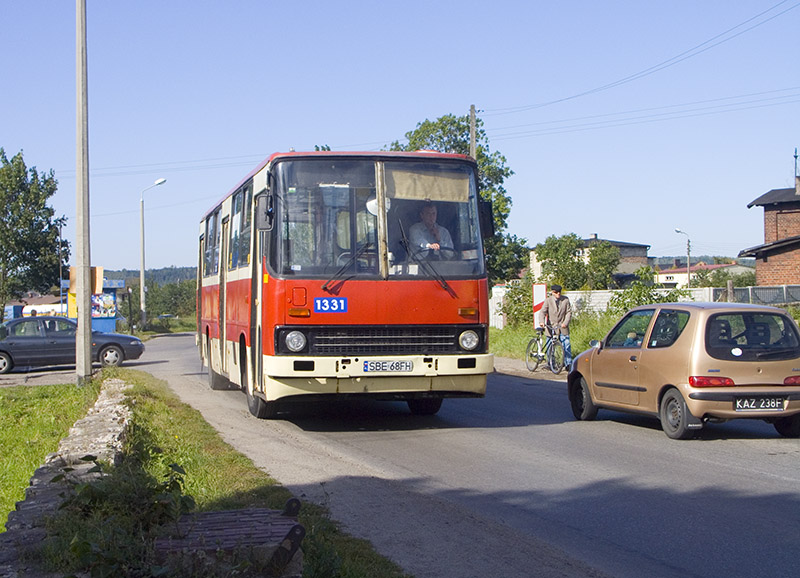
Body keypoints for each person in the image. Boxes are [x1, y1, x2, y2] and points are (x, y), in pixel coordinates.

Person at [540, 284, 573, 366]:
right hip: (551, 327)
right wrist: (541, 321)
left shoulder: (565, 300)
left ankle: (568, 363)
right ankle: (551, 362)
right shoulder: (548, 300)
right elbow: (542, 312)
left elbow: (568, 312)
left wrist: (565, 323)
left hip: (562, 326)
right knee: (550, 345)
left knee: (566, 344)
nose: (558, 294)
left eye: (559, 292)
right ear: (552, 292)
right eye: (556, 292)